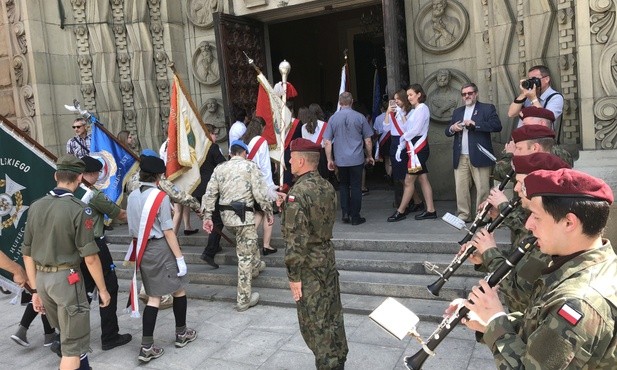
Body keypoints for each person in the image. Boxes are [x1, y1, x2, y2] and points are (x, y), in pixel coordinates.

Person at [462, 168, 617, 368]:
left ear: (569, 222)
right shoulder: (589, 263)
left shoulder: (578, 302)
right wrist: (488, 320)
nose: (528, 225)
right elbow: (541, 328)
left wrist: (495, 319)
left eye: (536, 216)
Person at [21, 154, 111, 370]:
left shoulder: (35, 206)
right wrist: (103, 289)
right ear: (80, 178)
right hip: (66, 281)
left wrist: (34, 290)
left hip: (42, 280)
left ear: (56, 176)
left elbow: (27, 253)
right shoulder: (79, 209)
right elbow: (89, 257)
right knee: (71, 345)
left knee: (70, 335)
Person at [467, 152, 571, 314]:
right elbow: (519, 264)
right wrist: (484, 259)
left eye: (521, 183)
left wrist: (490, 252)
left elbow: (520, 291)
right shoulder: (540, 225)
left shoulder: (549, 237)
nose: (516, 189)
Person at [278, 138, 348, 369]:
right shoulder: (327, 186)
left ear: (300, 160)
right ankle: (339, 359)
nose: (288, 161)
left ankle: (328, 364)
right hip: (327, 258)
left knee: (314, 323)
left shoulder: (297, 194)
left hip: (308, 266)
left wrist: (293, 277)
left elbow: (296, 241)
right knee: (333, 316)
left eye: (290, 158)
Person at [126, 150, 197, 362]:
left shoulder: (131, 197)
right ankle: (180, 334)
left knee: (154, 296)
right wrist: (180, 258)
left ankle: (148, 345)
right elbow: (168, 231)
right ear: (159, 177)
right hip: (160, 248)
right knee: (177, 290)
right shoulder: (159, 197)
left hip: (142, 249)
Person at [201, 140, 274, 311]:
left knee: (248, 241)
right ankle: (243, 299)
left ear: (231, 153)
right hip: (245, 217)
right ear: (244, 153)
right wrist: (269, 212)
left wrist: (208, 216)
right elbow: (259, 193)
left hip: (227, 218)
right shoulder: (250, 167)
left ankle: (256, 266)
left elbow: (210, 193)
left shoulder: (220, 168)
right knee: (244, 256)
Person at [79, 156, 133, 350]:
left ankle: (67, 339)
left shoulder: (72, 193)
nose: (98, 177)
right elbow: (120, 214)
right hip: (95, 247)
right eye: (96, 173)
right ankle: (110, 336)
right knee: (109, 287)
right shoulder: (93, 195)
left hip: (76, 249)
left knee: (82, 293)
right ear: (90, 174)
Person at [445, 83, 502, 222]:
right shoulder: (458, 111)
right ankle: (463, 215)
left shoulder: (487, 108)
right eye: (464, 94)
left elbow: (497, 126)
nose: (467, 96)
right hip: (461, 155)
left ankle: (482, 216)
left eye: (470, 93)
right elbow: (447, 132)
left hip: (480, 154)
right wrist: (453, 128)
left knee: (483, 188)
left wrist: (475, 125)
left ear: (476, 93)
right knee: (461, 188)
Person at [324, 92, 375, 226]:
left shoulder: (333, 119)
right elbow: (368, 140)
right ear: (352, 101)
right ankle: (355, 216)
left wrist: (329, 159)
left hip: (340, 159)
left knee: (343, 186)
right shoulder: (360, 117)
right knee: (356, 187)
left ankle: (345, 213)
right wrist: (369, 156)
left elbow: (327, 141)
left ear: (340, 103)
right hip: (356, 158)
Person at [391, 84, 438, 221]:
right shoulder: (414, 110)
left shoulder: (422, 108)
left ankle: (400, 211)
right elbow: (406, 127)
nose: (409, 97)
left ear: (419, 94)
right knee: (423, 179)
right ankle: (430, 210)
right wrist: (400, 114)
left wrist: (403, 138)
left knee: (408, 181)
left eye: (411, 94)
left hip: (418, 150)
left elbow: (415, 130)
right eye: (408, 95)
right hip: (414, 149)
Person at [383, 89, 424, 211]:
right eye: (394, 99)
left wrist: (401, 114)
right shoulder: (392, 113)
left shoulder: (411, 112)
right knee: (400, 176)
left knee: (408, 176)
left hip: (406, 143)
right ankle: (416, 200)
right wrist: (387, 112)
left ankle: (413, 202)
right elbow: (385, 128)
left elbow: (409, 128)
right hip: (395, 143)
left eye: (398, 99)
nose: (396, 102)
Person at [242, 117, 278, 255]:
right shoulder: (261, 141)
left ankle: (248, 239)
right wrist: (270, 186)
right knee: (268, 213)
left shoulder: (245, 140)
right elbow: (264, 166)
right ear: (262, 127)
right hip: (262, 183)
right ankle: (266, 245)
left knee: (259, 212)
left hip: (250, 182)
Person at [195, 124, 227, 269]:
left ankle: (215, 244)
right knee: (217, 220)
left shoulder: (194, 148)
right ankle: (209, 252)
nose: (215, 136)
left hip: (198, 189)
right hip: (210, 189)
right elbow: (222, 166)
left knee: (212, 217)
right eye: (214, 133)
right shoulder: (212, 148)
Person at [300, 103, 331, 180]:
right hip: (322, 154)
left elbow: (304, 142)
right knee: (324, 178)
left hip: (309, 154)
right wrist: (330, 159)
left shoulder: (303, 127)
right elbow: (327, 142)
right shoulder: (325, 125)